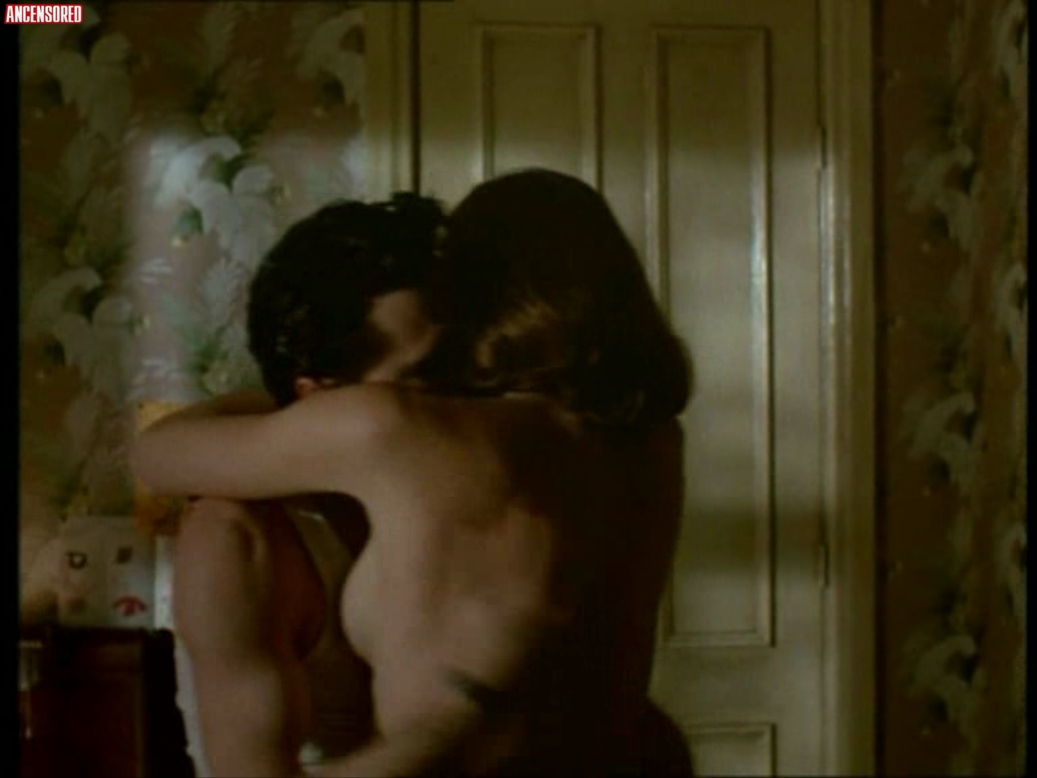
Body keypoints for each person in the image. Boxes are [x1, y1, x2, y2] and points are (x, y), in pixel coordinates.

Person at [133, 169, 694, 776]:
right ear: (321, 395)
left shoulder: (448, 448)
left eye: (458, 356)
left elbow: (156, 454)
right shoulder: (653, 440)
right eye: (427, 376)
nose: (455, 392)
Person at [162, 194, 447, 777]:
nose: (460, 406)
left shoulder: (457, 487)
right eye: (423, 382)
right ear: (318, 396)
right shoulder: (239, 538)